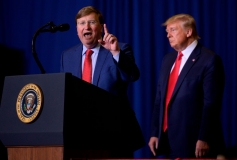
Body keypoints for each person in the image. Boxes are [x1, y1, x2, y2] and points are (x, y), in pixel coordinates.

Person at [60, 6, 145, 158]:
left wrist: (115, 52)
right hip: (80, 134)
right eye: (81, 23)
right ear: (77, 29)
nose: (86, 27)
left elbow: (132, 76)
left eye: (91, 22)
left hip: (114, 133)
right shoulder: (67, 56)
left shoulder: (119, 48)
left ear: (100, 27)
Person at [148, 14, 225, 158]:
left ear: (188, 32)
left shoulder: (209, 60)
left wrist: (204, 137)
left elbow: (211, 104)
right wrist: (155, 132)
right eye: (167, 32)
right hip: (168, 140)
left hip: (194, 141)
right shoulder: (168, 59)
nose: (168, 35)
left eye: (172, 30)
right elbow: (161, 99)